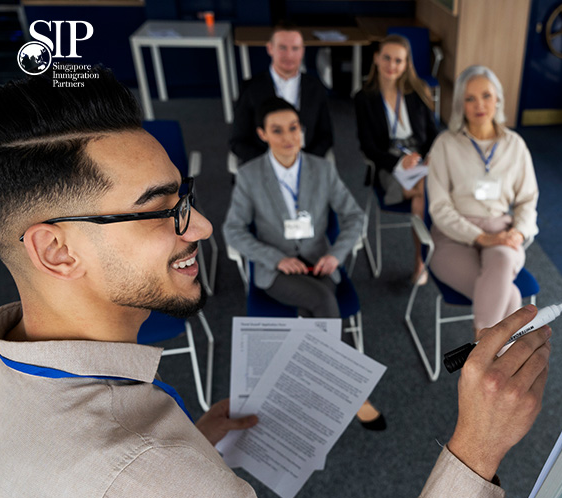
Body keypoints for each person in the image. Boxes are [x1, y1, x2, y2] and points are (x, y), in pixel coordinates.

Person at [0, 68, 552, 498]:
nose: (201, 227)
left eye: (184, 198)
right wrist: (478, 449)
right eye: (160, 210)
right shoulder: (149, 493)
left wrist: (190, 439)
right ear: (56, 251)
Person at [224, 97, 384, 430]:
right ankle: (351, 391)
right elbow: (233, 231)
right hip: (277, 271)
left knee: (316, 313)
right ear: (262, 134)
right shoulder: (250, 175)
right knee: (324, 301)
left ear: (303, 131)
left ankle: (311, 388)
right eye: (277, 130)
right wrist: (275, 258)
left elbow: (354, 216)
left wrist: (336, 254)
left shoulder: (322, 169)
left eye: (293, 128)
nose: (287, 137)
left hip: (319, 262)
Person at [427, 65, 539, 331]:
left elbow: (528, 200)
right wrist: (480, 237)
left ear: (498, 99)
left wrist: (519, 233)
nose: (480, 105)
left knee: (501, 263)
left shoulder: (515, 145)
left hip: (502, 233)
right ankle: (495, 356)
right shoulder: (445, 144)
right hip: (452, 235)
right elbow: (440, 208)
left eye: (486, 96)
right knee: (507, 293)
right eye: (470, 98)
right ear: (460, 104)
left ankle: (481, 346)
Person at [354, 34, 439, 283]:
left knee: (421, 195)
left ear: (406, 64)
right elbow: (367, 147)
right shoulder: (364, 98)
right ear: (376, 59)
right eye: (387, 58)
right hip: (387, 164)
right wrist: (398, 163)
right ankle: (422, 260)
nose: (392, 65)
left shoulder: (418, 91)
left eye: (399, 61)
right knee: (427, 192)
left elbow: (434, 135)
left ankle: (420, 261)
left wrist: (429, 157)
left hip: (420, 161)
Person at [229, 23, 333, 163]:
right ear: (270, 48)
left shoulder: (316, 87)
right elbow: (238, 141)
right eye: (282, 48)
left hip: (306, 167)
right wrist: (272, 164)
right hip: (263, 168)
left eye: (295, 48)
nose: (289, 55)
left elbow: (326, 136)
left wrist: (303, 163)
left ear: (302, 51)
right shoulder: (250, 88)